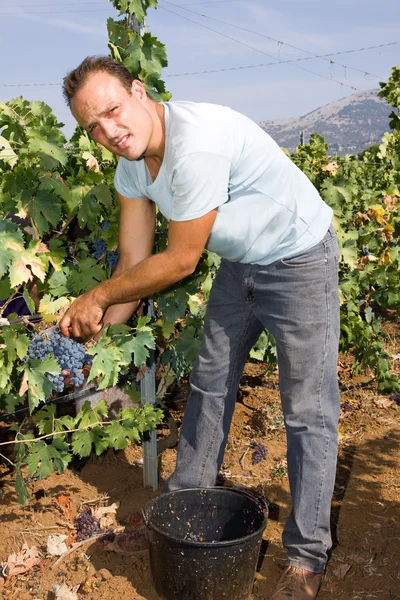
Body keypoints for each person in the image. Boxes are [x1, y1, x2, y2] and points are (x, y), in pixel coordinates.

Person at [60, 55, 340, 600]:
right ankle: (178, 513)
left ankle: (306, 559)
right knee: (211, 382)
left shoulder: (198, 140)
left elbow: (181, 260)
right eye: (92, 126)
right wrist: (95, 332)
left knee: (308, 410)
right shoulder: (132, 167)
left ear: (139, 92)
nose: (109, 132)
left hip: (299, 258)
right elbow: (132, 267)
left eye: (113, 111)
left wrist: (93, 297)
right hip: (242, 263)